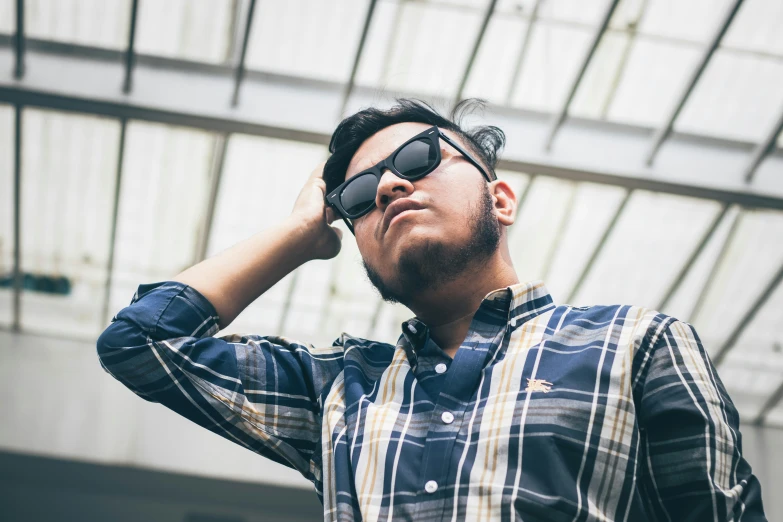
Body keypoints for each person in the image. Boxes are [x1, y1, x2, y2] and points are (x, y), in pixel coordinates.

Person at [97, 99, 766, 521]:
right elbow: (143, 342)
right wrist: (299, 234)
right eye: (356, 196)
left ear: (500, 200)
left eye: (417, 159)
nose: (388, 185)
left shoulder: (634, 343)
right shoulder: (338, 390)